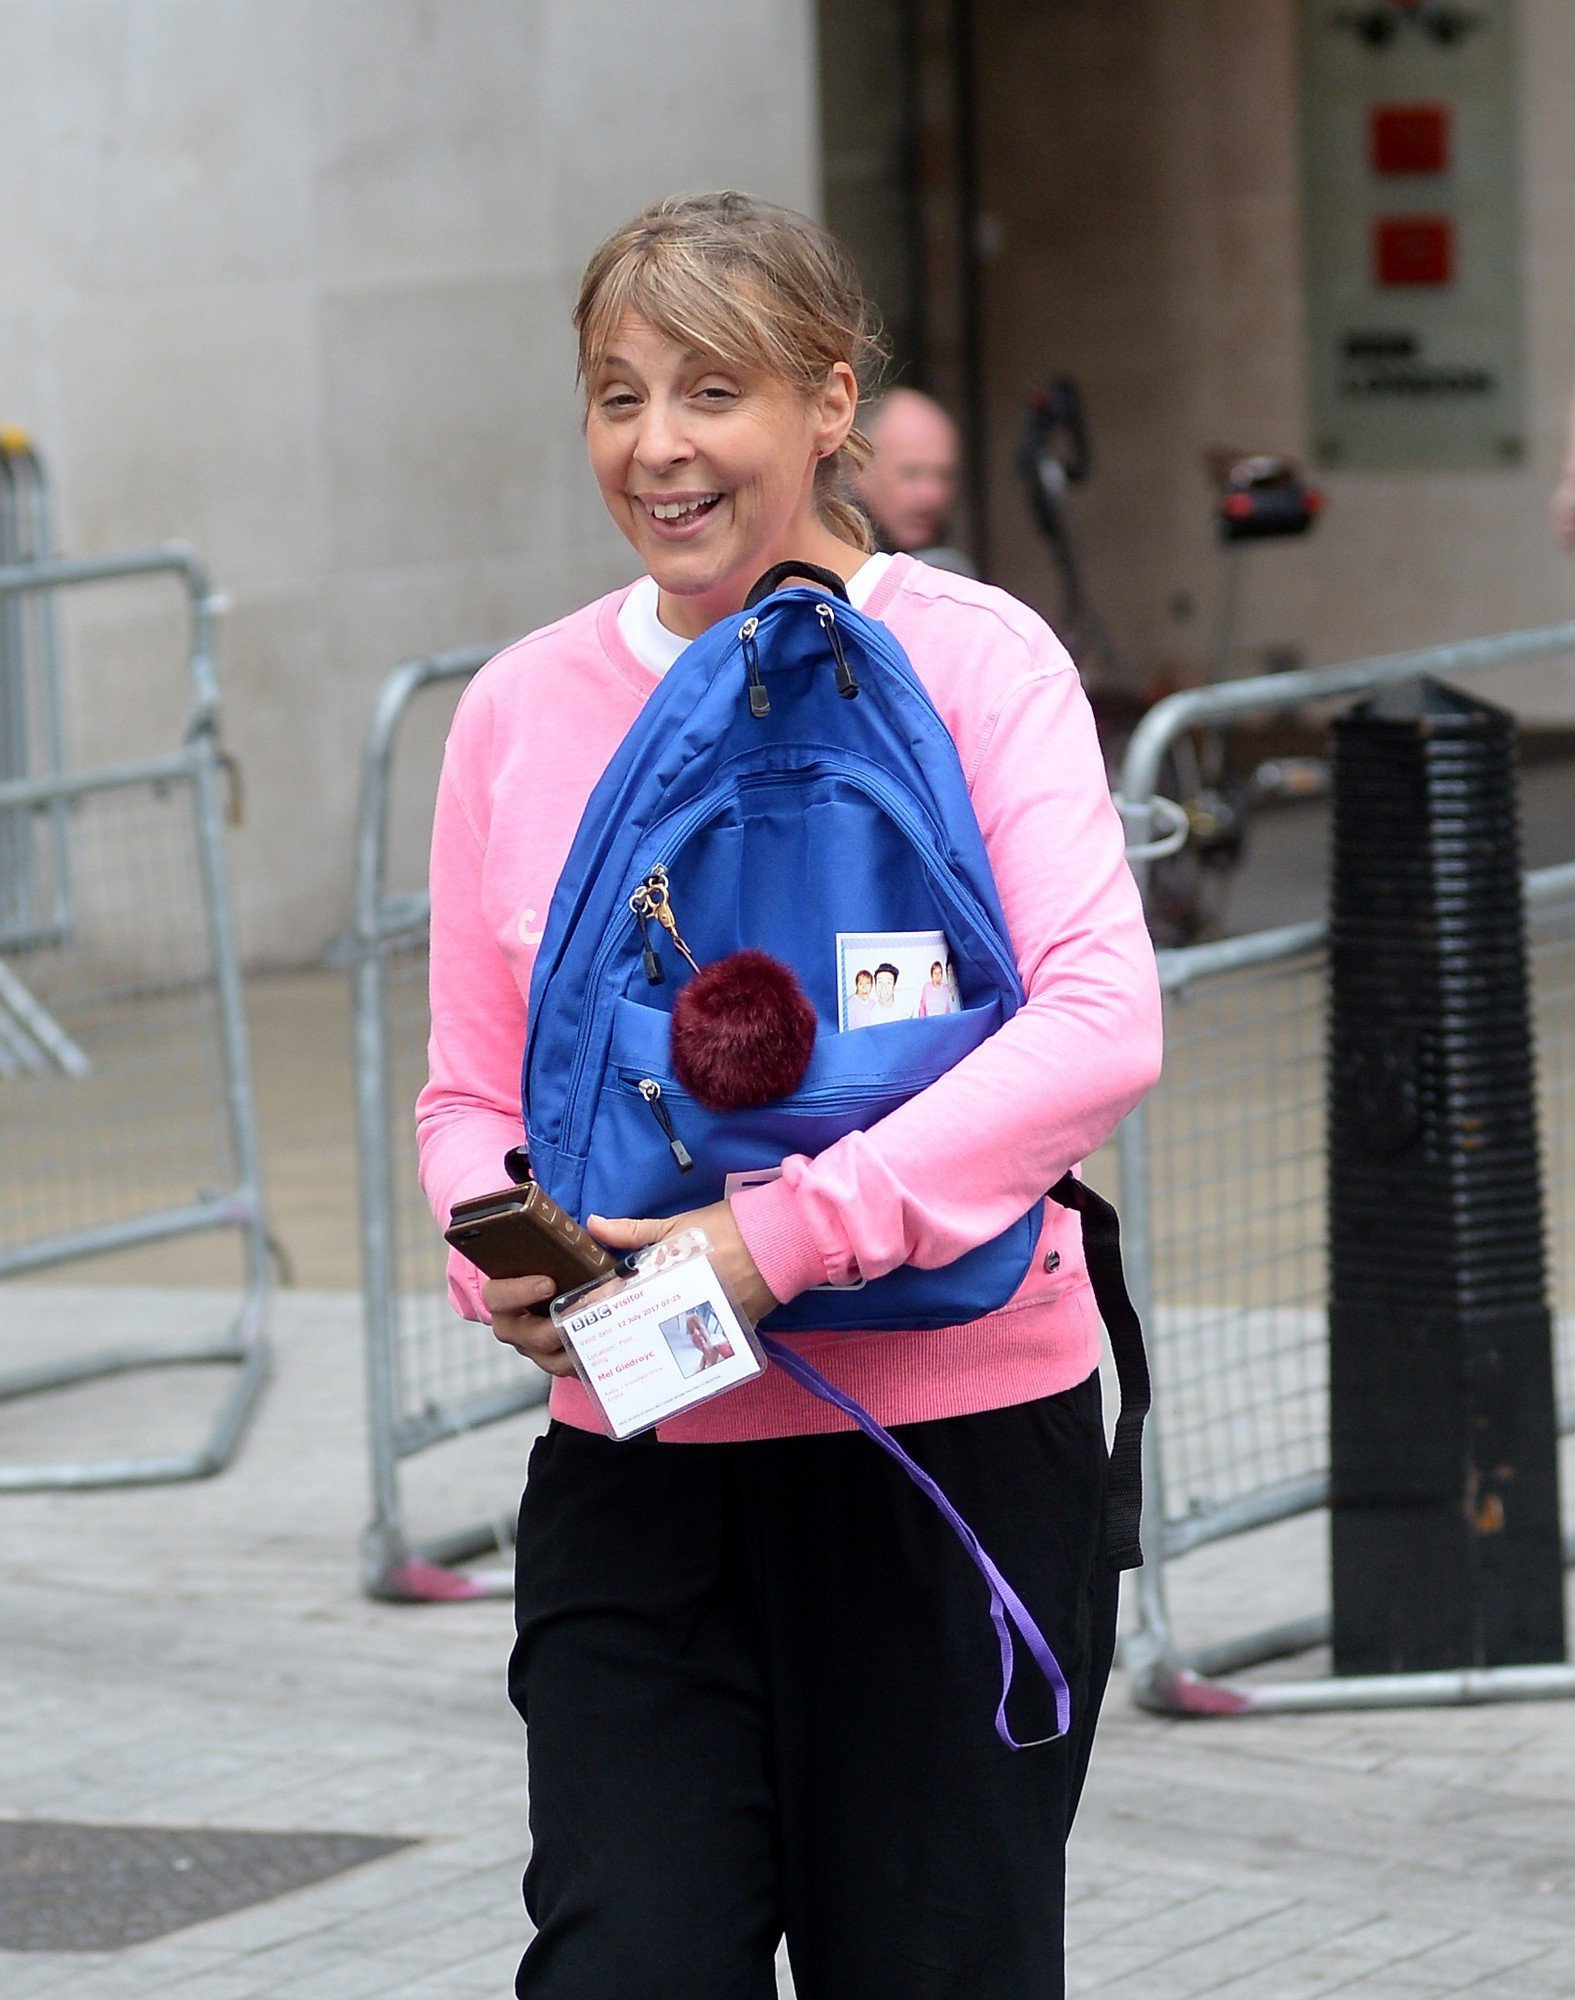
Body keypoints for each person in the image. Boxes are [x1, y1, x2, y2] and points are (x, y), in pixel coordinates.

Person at [417, 189, 1161, 2000]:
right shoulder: (517, 711)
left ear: (831, 404)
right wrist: (499, 1250)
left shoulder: (976, 662)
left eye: (711, 391)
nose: (656, 447)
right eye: (615, 396)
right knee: (623, 1964)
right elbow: (467, 1087)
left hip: (954, 1463)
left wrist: (768, 1246)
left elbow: (1097, 1026)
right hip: (643, 1462)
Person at [853, 385, 977, 575]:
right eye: (910, 474)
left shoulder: (950, 573)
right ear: (858, 468)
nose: (932, 495)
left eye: (944, 476)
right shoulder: (826, 584)